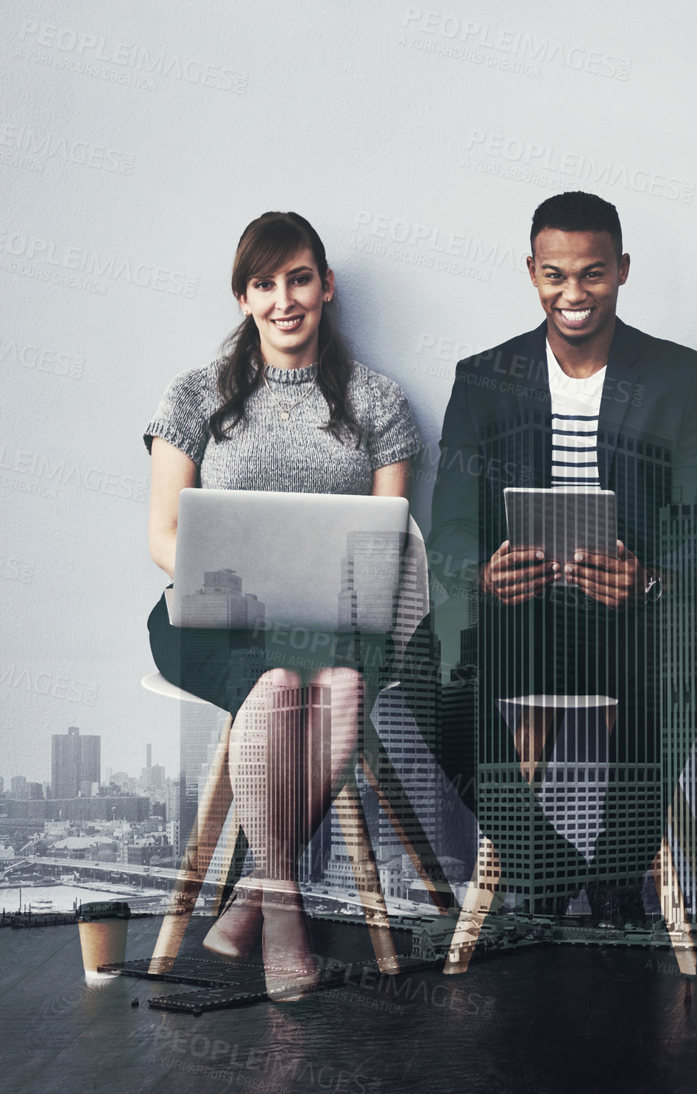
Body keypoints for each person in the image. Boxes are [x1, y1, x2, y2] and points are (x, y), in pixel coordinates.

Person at [426, 191, 697, 935]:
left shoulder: (679, 376)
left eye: (593, 274)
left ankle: (615, 870)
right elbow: (447, 526)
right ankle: (542, 861)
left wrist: (650, 579)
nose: (573, 294)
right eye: (555, 275)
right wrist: (482, 573)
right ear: (532, 273)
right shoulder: (484, 378)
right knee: (422, 677)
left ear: (623, 271)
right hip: (521, 610)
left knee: (678, 651)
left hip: (639, 610)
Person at [144, 211, 423, 998]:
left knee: (336, 685)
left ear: (326, 286)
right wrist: (232, 583)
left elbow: (387, 539)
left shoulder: (377, 400)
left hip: (337, 619)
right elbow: (164, 534)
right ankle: (287, 907)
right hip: (214, 613)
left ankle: (256, 896)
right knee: (273, 688)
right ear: (243, 299)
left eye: (299, 278)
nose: (284, 299)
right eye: (264, 284)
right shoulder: (195, 394)